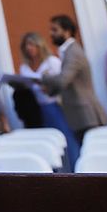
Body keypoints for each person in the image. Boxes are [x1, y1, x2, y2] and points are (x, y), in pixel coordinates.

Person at [41, 15, 107, 143]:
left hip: (86, 115)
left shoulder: (73, 52)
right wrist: (51, 91)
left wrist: (44, 77)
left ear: (67, 31)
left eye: (55, 30)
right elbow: (68, 82)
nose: (51, 34)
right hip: (81, 116)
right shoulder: (68, 51)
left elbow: (63, 80)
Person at [20, 31, 78, 167]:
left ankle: (73, 169)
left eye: (32, 44)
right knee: (46, 143)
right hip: (36, 109)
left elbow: (63, 83)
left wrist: (49, 87)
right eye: (26, 45)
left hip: (55, 105)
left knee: (65, 139)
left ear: (40, 46)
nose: (29, 48)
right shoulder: (24, 67)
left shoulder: (52, 62)